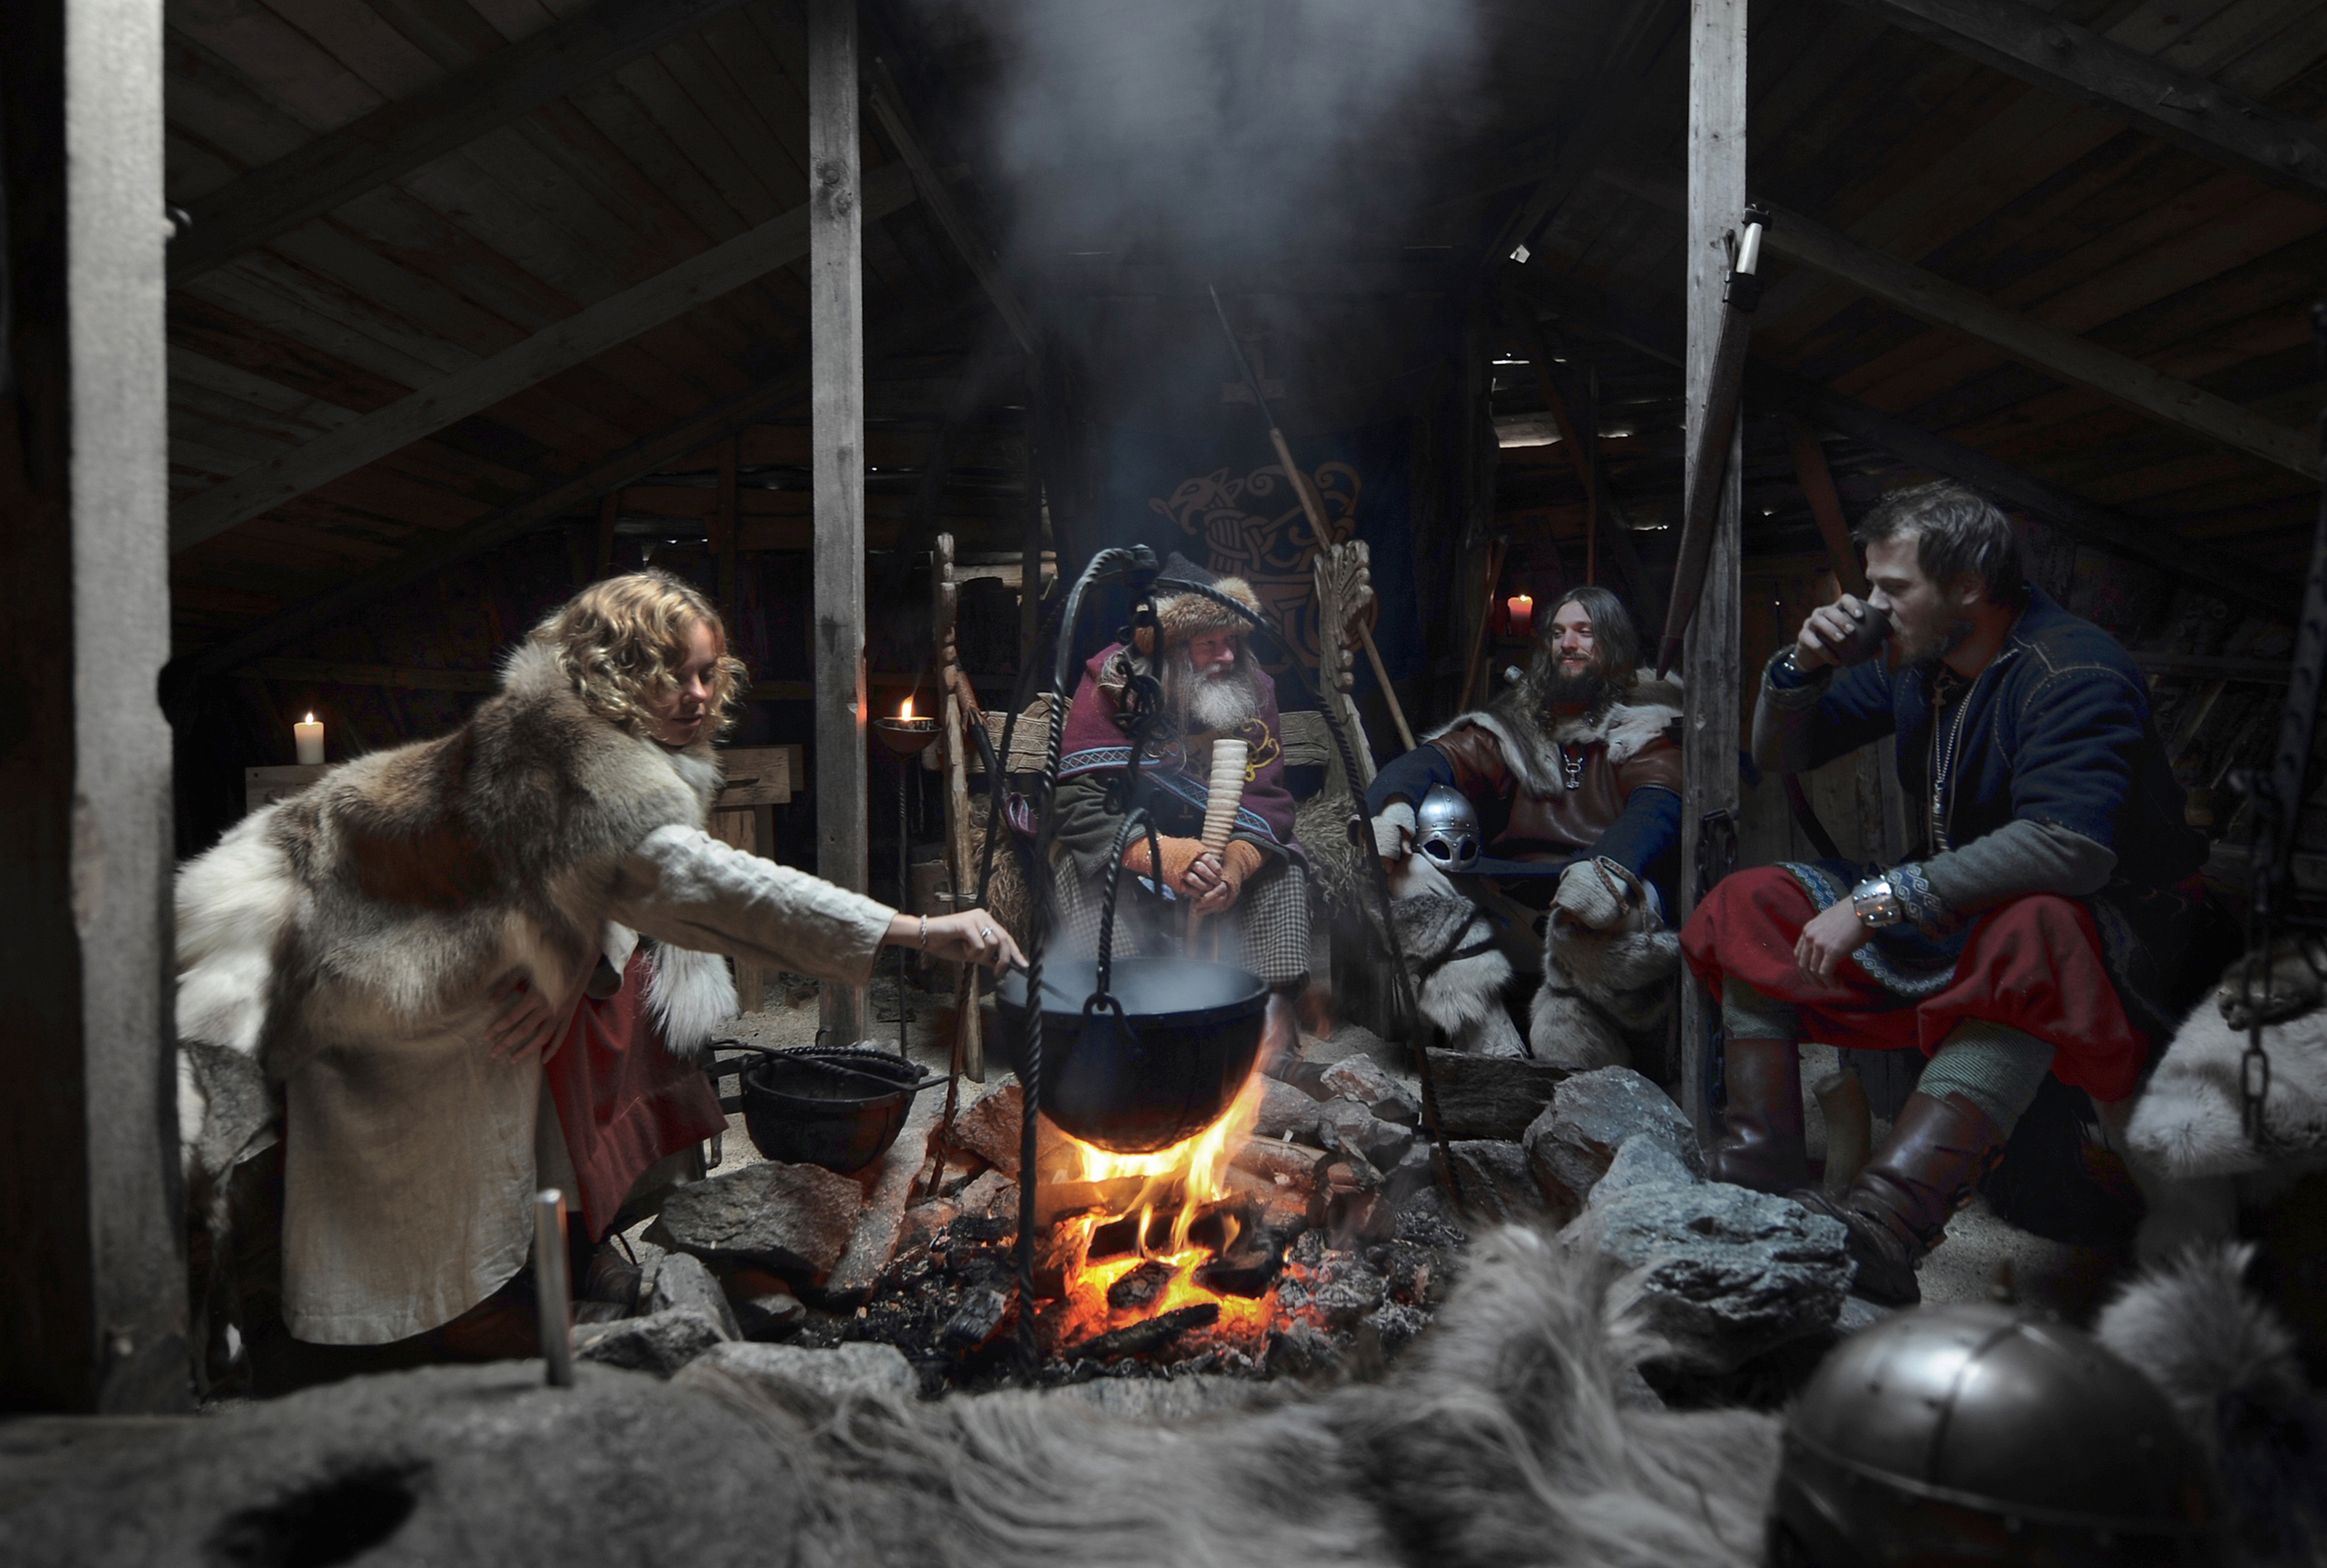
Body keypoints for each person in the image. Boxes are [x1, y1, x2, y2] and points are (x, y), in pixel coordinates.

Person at [173, 570, 1023, 1357]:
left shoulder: (562, 736)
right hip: (350, 950)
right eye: (675, 674)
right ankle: (427, 1325)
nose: (697, 696)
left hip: (359, 913)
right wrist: (915, 931)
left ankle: (555, 1260)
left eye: (708, 675)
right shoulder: (581, 770)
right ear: (618, 672)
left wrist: (575, 959)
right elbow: (710, 884)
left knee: (587, 1020)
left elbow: (587, 886)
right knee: (401, 1161)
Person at [1681, 481, 2206, 1303]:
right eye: (1872, 586)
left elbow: (2068, 849)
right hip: (1959, 914)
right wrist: (1802, 666)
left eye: (1894, 588)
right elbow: (1787, 752)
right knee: (1750, 901)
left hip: (2106, 937)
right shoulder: (1921, 663)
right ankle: (1760, 1168)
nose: (1871, 608)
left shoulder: (2073, 670)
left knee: (2037, 925)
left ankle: (1891, 1219)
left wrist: (1875, 901)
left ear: (1967, 585)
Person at [1363, 586, 1685, 1061]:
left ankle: (1584, 1051)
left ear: (1614, 643)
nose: (1567, 644)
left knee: (1604, 922)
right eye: (1557, 633)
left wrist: (1608, 868)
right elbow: (1431, 761)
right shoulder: (1519, 724)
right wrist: (1392, 808)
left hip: (1603, 903)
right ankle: (1490, 1045)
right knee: (1407, 872)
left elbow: (1656, 807)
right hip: (1515, 901)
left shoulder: (1647, 724)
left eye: (1584, 632)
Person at [1047, 557, 1310, 1003]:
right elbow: (1075, 800)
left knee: (1282, 866)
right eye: (1208, 643)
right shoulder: (1113, 682)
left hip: (1216, 856)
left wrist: (1235, 866)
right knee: (1078, 866)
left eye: (1232, 640)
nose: (1226, 656)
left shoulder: (1254, 689)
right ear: (1170, 648)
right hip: (1134, 849)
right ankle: (1119, 999)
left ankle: (1265, 1010)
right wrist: (1161, 855)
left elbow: (1269, 802)